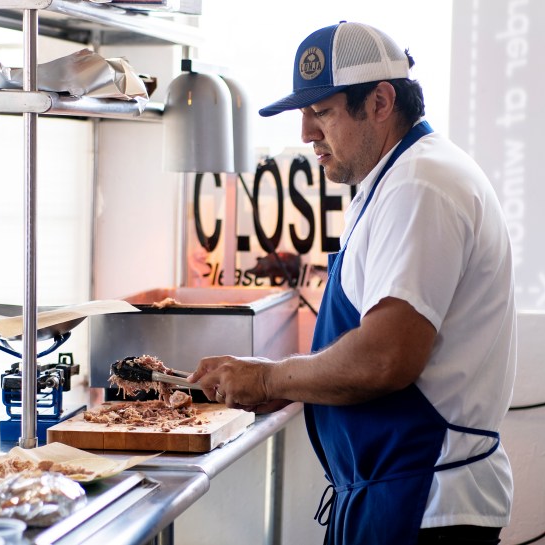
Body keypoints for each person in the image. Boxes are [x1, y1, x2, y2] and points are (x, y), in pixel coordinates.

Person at [188, 21, 516, 545]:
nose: (305, 134)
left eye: (322, 112)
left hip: (421, 501)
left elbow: (387, 357)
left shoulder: (420, 185)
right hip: (393, 493)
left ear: (381, 101)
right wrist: (274, 375)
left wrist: (272, 380)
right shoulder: (394, 179)